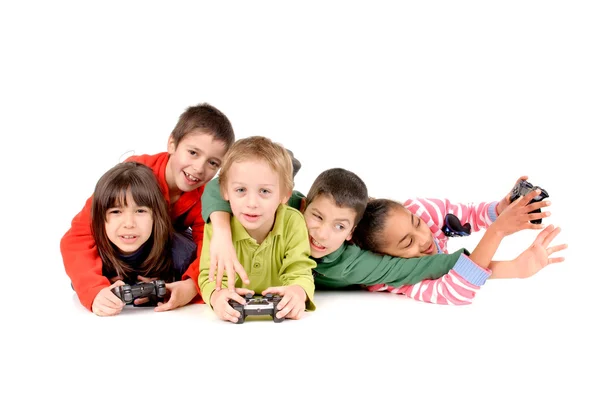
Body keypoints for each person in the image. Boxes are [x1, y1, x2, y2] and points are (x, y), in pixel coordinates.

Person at [201, 168, 498, 296]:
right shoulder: (285, 203)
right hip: (213, 255)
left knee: (418, 232)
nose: (321, 234)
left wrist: (502, 259)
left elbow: (431, 264)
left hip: (379, 245)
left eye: (339, 227)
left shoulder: (349, 264)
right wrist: (223, 235)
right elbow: (220, 184)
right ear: (302, 206)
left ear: (349, 234)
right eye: (315, 217)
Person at [60, 102, 235, 315]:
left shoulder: (205, 195)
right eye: (193, 153)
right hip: (128, 247)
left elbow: (207, 247)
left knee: (191, 249)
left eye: (213, 163)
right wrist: (93, 289)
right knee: (99, 252)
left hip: (162, 252)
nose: (199, 168)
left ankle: (157, 281)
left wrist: (191, 286)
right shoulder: (134, 176)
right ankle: (110, 279)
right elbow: (78, 236)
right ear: (172, 143)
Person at [351, 176, 567, 304]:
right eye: (407, 243)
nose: (424, 238)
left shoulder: (421, 212)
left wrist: (500, 210)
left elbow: (467, 216)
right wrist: (501, 241)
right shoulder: (397, 277)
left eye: (417, 224)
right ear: (388, 258)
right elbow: (453, 290)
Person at [197, 136, 316, 323]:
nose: (252, 203)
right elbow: (207, 275)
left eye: (265, 191)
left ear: (285, 195)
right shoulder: (217, 227)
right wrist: (215, 296)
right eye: (241, 190)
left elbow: (300, 271)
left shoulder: (294, 222)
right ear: (225, 191)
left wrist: (298, 291)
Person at [87, 162, 198, 316]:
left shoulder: (183, 255)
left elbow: (214, 279)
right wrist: (99, 292)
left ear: (156, 216)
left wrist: (186, 289)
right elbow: (78, 282)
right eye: (116, 211)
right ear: (99, 218)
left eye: (140, 211)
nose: (129, 224)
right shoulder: (91, 253)